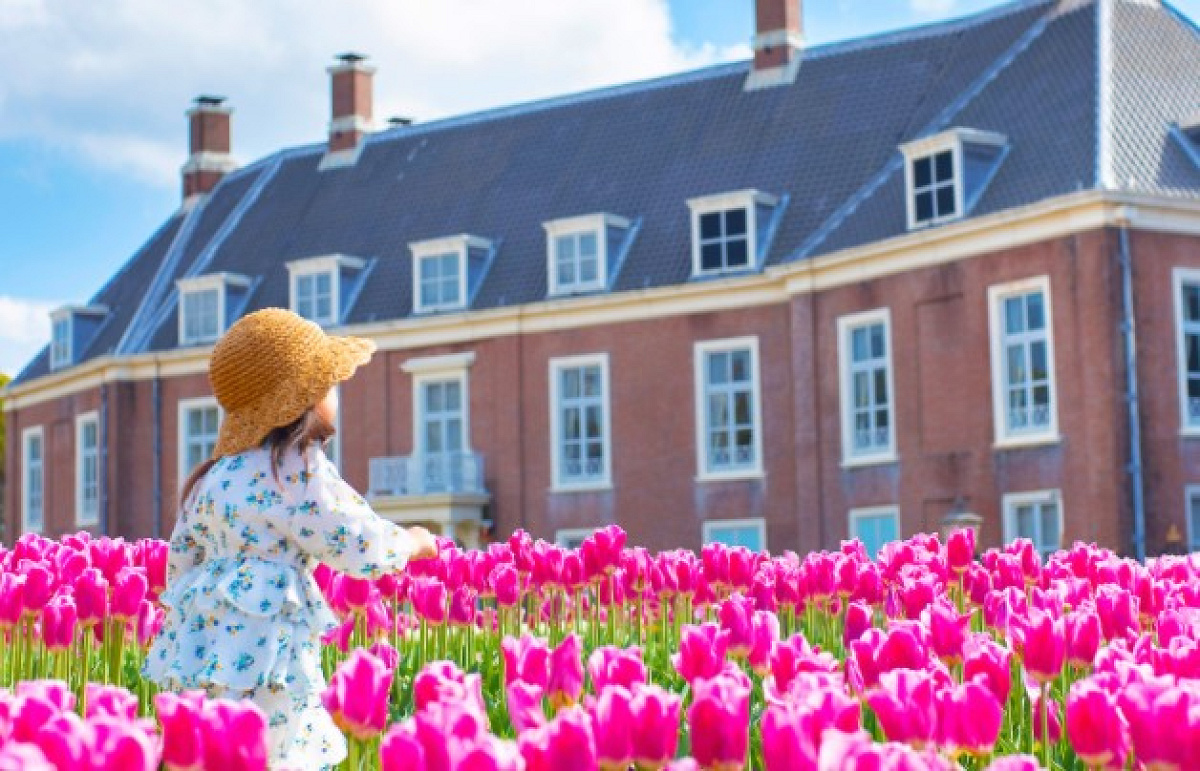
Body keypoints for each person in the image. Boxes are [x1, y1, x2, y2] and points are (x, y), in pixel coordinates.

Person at [144, 307, 439, 769]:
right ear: (308, 398)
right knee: (277, 746)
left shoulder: (211, 478)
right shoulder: (297, 469)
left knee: (215, 749)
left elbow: (180, 563)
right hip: (268, 656)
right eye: (329, 384)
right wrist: (413, 542)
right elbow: (355, 541)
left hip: (201, 651)